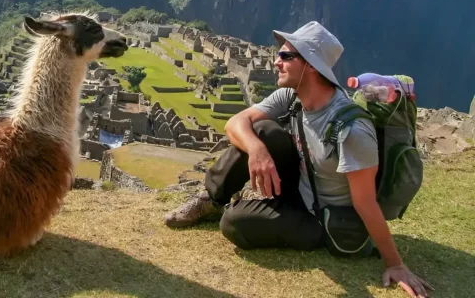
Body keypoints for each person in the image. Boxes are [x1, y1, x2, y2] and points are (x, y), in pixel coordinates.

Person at [164, 21, 432, 298]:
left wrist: (395, 263)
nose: (277, 61)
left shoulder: (351, 130)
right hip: (300, 186)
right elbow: (235, 123)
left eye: (286, 56)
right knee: (261, 131)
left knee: (235, 223)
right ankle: (210, 200)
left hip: (323, 218)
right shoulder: (291, 96)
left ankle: (250, 212)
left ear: (312, 66)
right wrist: (257, 151)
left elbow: (365, 203)